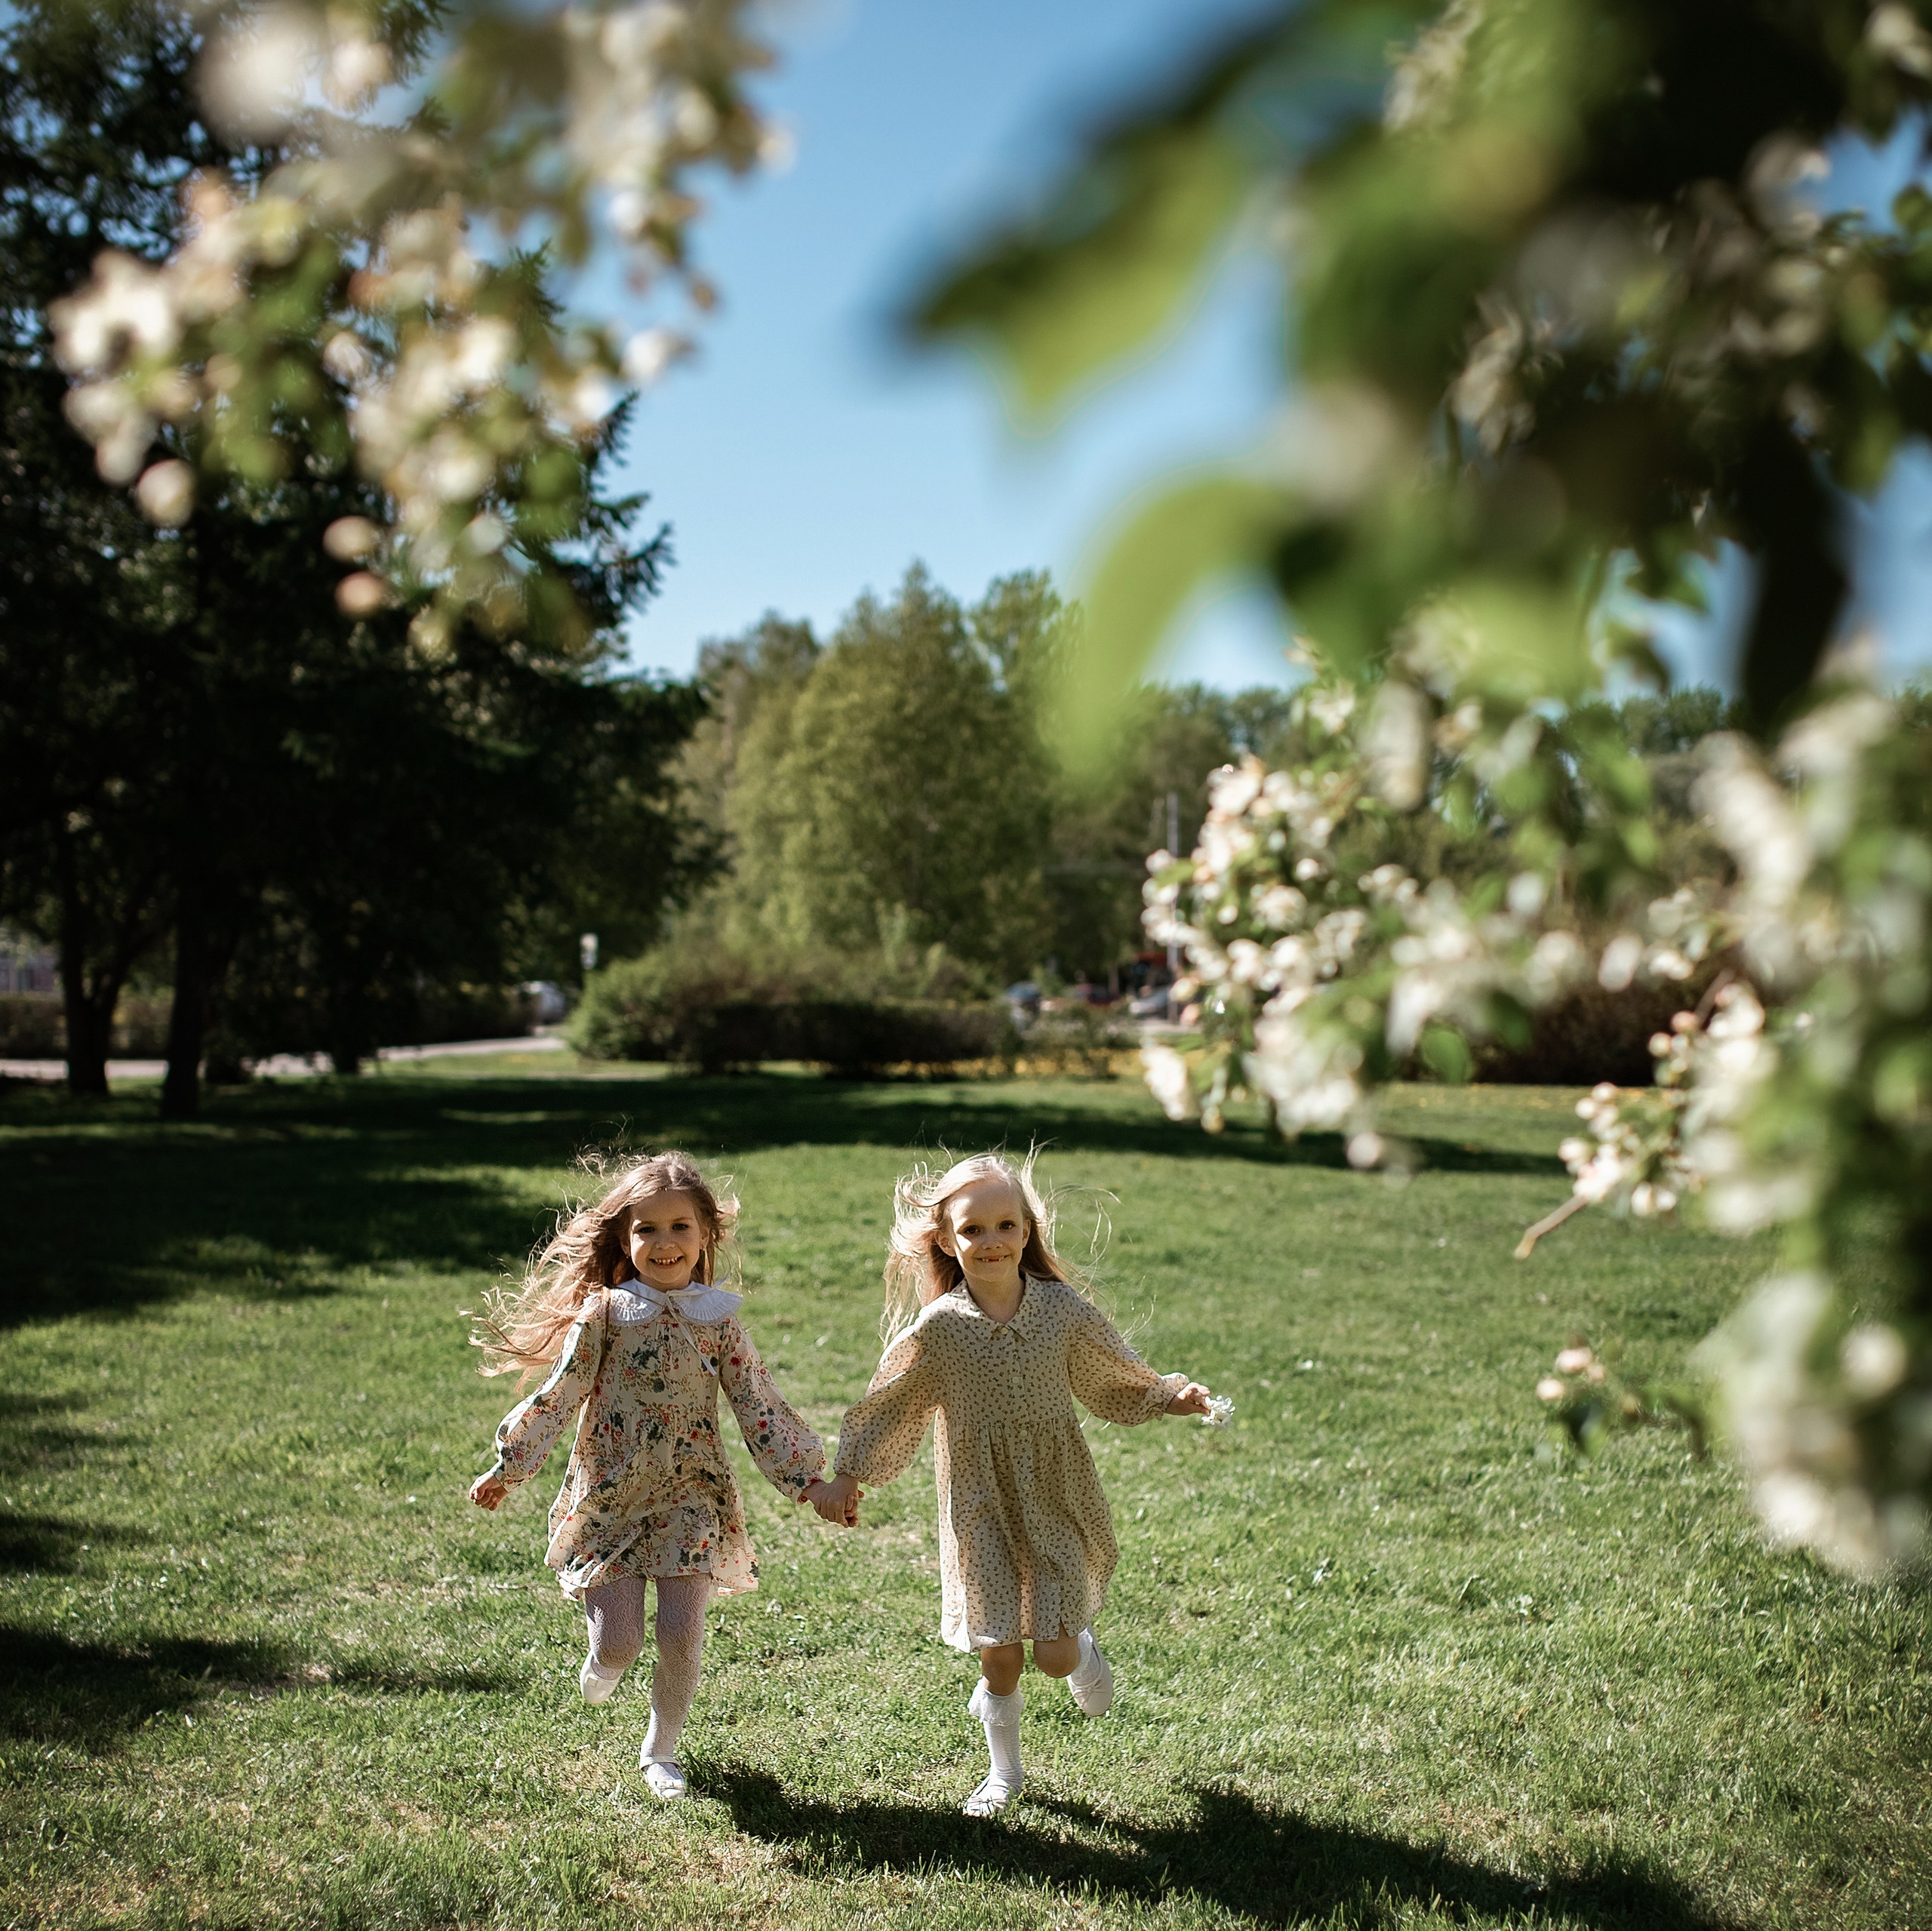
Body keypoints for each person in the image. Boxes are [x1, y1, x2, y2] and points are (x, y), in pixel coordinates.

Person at [813, 1153, 1215, 1816]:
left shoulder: (1059, 1310)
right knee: (999, 1654)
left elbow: (1110, 1373)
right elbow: (891, 1401)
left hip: (1055, 1492)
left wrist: (1170, 1396)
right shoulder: (940, 1328)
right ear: (948, 1239)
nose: (992, 1241)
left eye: (1006, 1225)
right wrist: (849, 1474)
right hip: (979, 1503)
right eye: (974, 1230)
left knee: (1053, 1655)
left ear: (1028, 1231)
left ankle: (1080, 1649)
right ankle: (1005, 1773)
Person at [467, 1150, 854, 1800]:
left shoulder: (719, 1319)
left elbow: (758, 1402)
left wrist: (809, 1480)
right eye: (647, 1229)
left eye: (680, 1227)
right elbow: (561, 1394)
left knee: (680, 1633)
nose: (665, 1242)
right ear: (625, 1237)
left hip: (691, 1495)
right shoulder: (608, 1314)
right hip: (612, 1495)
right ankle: (602, 1660)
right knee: (620, 1642)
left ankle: (661, 1749)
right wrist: (512, 1465)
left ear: (705, 1235)